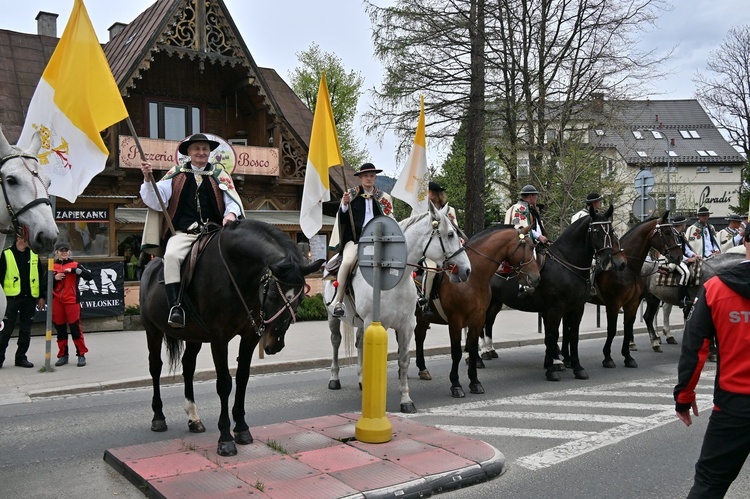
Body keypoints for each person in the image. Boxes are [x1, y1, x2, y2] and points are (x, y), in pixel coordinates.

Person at [674, 229, 750, 498]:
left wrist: (684, 396)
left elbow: (695, 348)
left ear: (744, 242)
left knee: (709, 484)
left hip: (733, 405)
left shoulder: (715, 288)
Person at [140, 133, 243, 328]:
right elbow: (156, 200)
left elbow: (233, 201)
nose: (201, 153)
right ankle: (175, 307)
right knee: (171, 256)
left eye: (205, 149)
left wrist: (230, 215)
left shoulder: (219, 175)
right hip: (185, 234)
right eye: (197, 149)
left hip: (215, 233)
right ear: (188, 152)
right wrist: (147, 179)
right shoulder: (176, 174)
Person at [331, 162, 395, 317]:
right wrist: (345, 205)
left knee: (396, 261)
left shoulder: (384, 198)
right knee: (347, 262)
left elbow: (390, 220)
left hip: (378, 242)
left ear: (375, 178)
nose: (369, 179)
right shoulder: (350, 195)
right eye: (366, 176)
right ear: (360, 178)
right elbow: (342, 219)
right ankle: (338, 301)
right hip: (355, 241)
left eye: (372, 176)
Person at [0, 236, 46, 368]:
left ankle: (21, 358)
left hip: (29, 298)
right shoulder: (6, 254)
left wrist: (41, 296)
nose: (28, 239)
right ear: (18, 239)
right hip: (11, 299)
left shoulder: (33, 254)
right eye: (25, 237)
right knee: (6, 330)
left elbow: (39, 275)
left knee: (26, 330)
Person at [52, 242, 93, 367]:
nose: (64, 253)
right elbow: (44, 284)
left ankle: (81, 354)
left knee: (76, 329)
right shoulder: (52, 266)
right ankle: (63, 355)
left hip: (72, 301)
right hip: (56, 302)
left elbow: (89, 276)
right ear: (56, 253)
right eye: (61, 251)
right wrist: (55, 278)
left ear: (69, 252)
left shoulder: (75, 264)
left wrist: (75, 271)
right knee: (60, 330)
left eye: (66, 251)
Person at [669, 216, 699, 309]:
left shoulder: (681, 234)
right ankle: (681, 299)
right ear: (681, 224)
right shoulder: (672, 235)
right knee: (686, 273)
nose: (685, 224)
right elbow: (675, 252)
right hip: (675, 259)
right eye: (685, 223)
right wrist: (687, 259)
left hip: (681, 257)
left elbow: (685, 249)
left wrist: (694, 255)